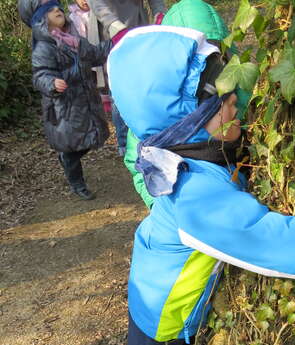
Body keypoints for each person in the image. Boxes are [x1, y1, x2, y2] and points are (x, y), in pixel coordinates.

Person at [108, 24, 295, 345]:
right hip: (164, 327)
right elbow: (259, 237)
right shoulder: (192, 190)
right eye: (226, 105)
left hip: (156, 301)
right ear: (194, 123)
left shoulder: (197, 156)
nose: (237, 108)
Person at [123, 0, 251, 209]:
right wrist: (158, 204)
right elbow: (136, 160)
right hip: (183, 199)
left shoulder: (238, 86)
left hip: (234, 192)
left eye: (217, 50)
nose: (210, 60)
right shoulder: (157, 107)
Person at [18, 0, 112, 200]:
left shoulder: (73, 39)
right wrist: (51, 83)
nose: (57, 10)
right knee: (71, 148)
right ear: (41, 20)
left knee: (91, 139)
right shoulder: (43, 46)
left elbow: (95, 54)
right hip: (64, 109)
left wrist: (116, 42)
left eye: (58, 7)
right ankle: (77, 183)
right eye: (50, 10)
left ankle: (68, 160)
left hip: (85, 102)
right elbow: (39, 75)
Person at [87, 0, 167, 156]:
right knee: (118, 90)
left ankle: (145, 135)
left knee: (143, 83)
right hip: (110, 31)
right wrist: (114, 26)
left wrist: (160, 12)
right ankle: (124, 143)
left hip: (138, 26)